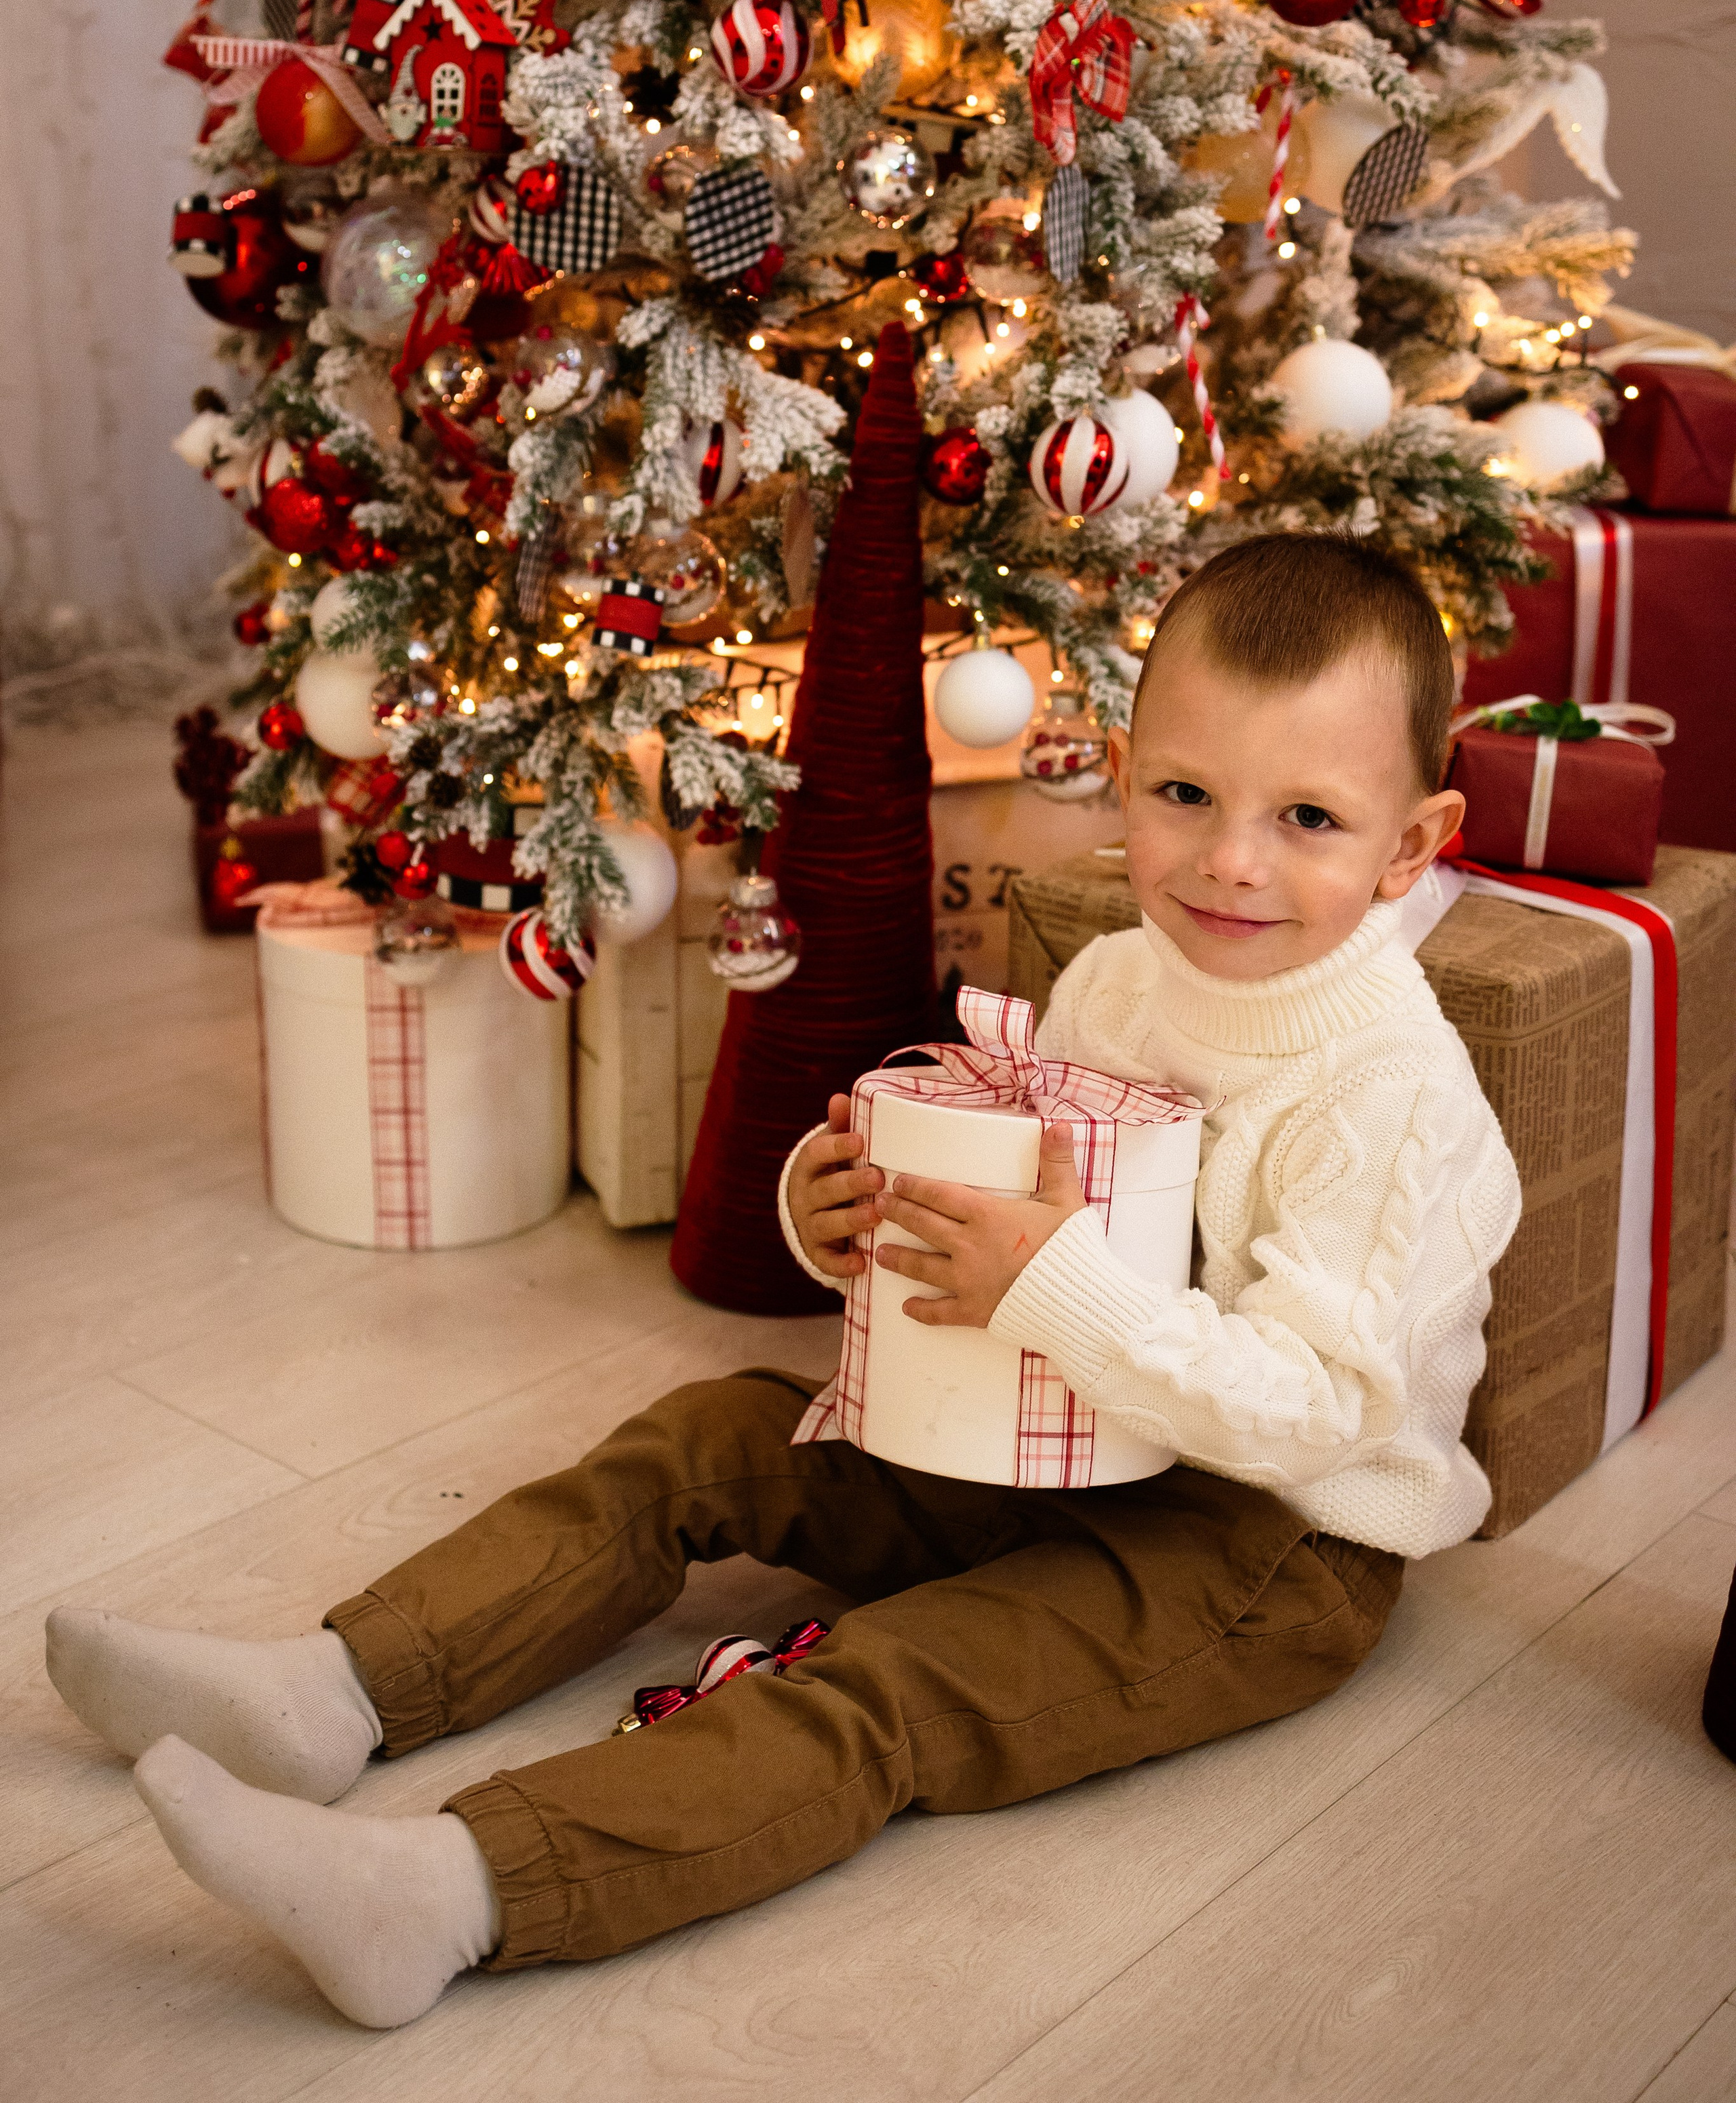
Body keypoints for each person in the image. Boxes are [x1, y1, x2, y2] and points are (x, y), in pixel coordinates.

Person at [44, 532, 1521, 2030]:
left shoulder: (1382, 1095)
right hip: (1065, 1432)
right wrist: (849, 1225)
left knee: (885, 1683)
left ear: (1408, 845)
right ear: (1122, 769)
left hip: (1265, 1541)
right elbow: (1021, 1229)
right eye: (1185, 794)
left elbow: (1317, 1411)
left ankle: (455, 1891)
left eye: (1309, 818)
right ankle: (329, 1691)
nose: (1229, 860)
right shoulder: (1115, 981)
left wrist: (1052, 1286)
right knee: (722, 1433)